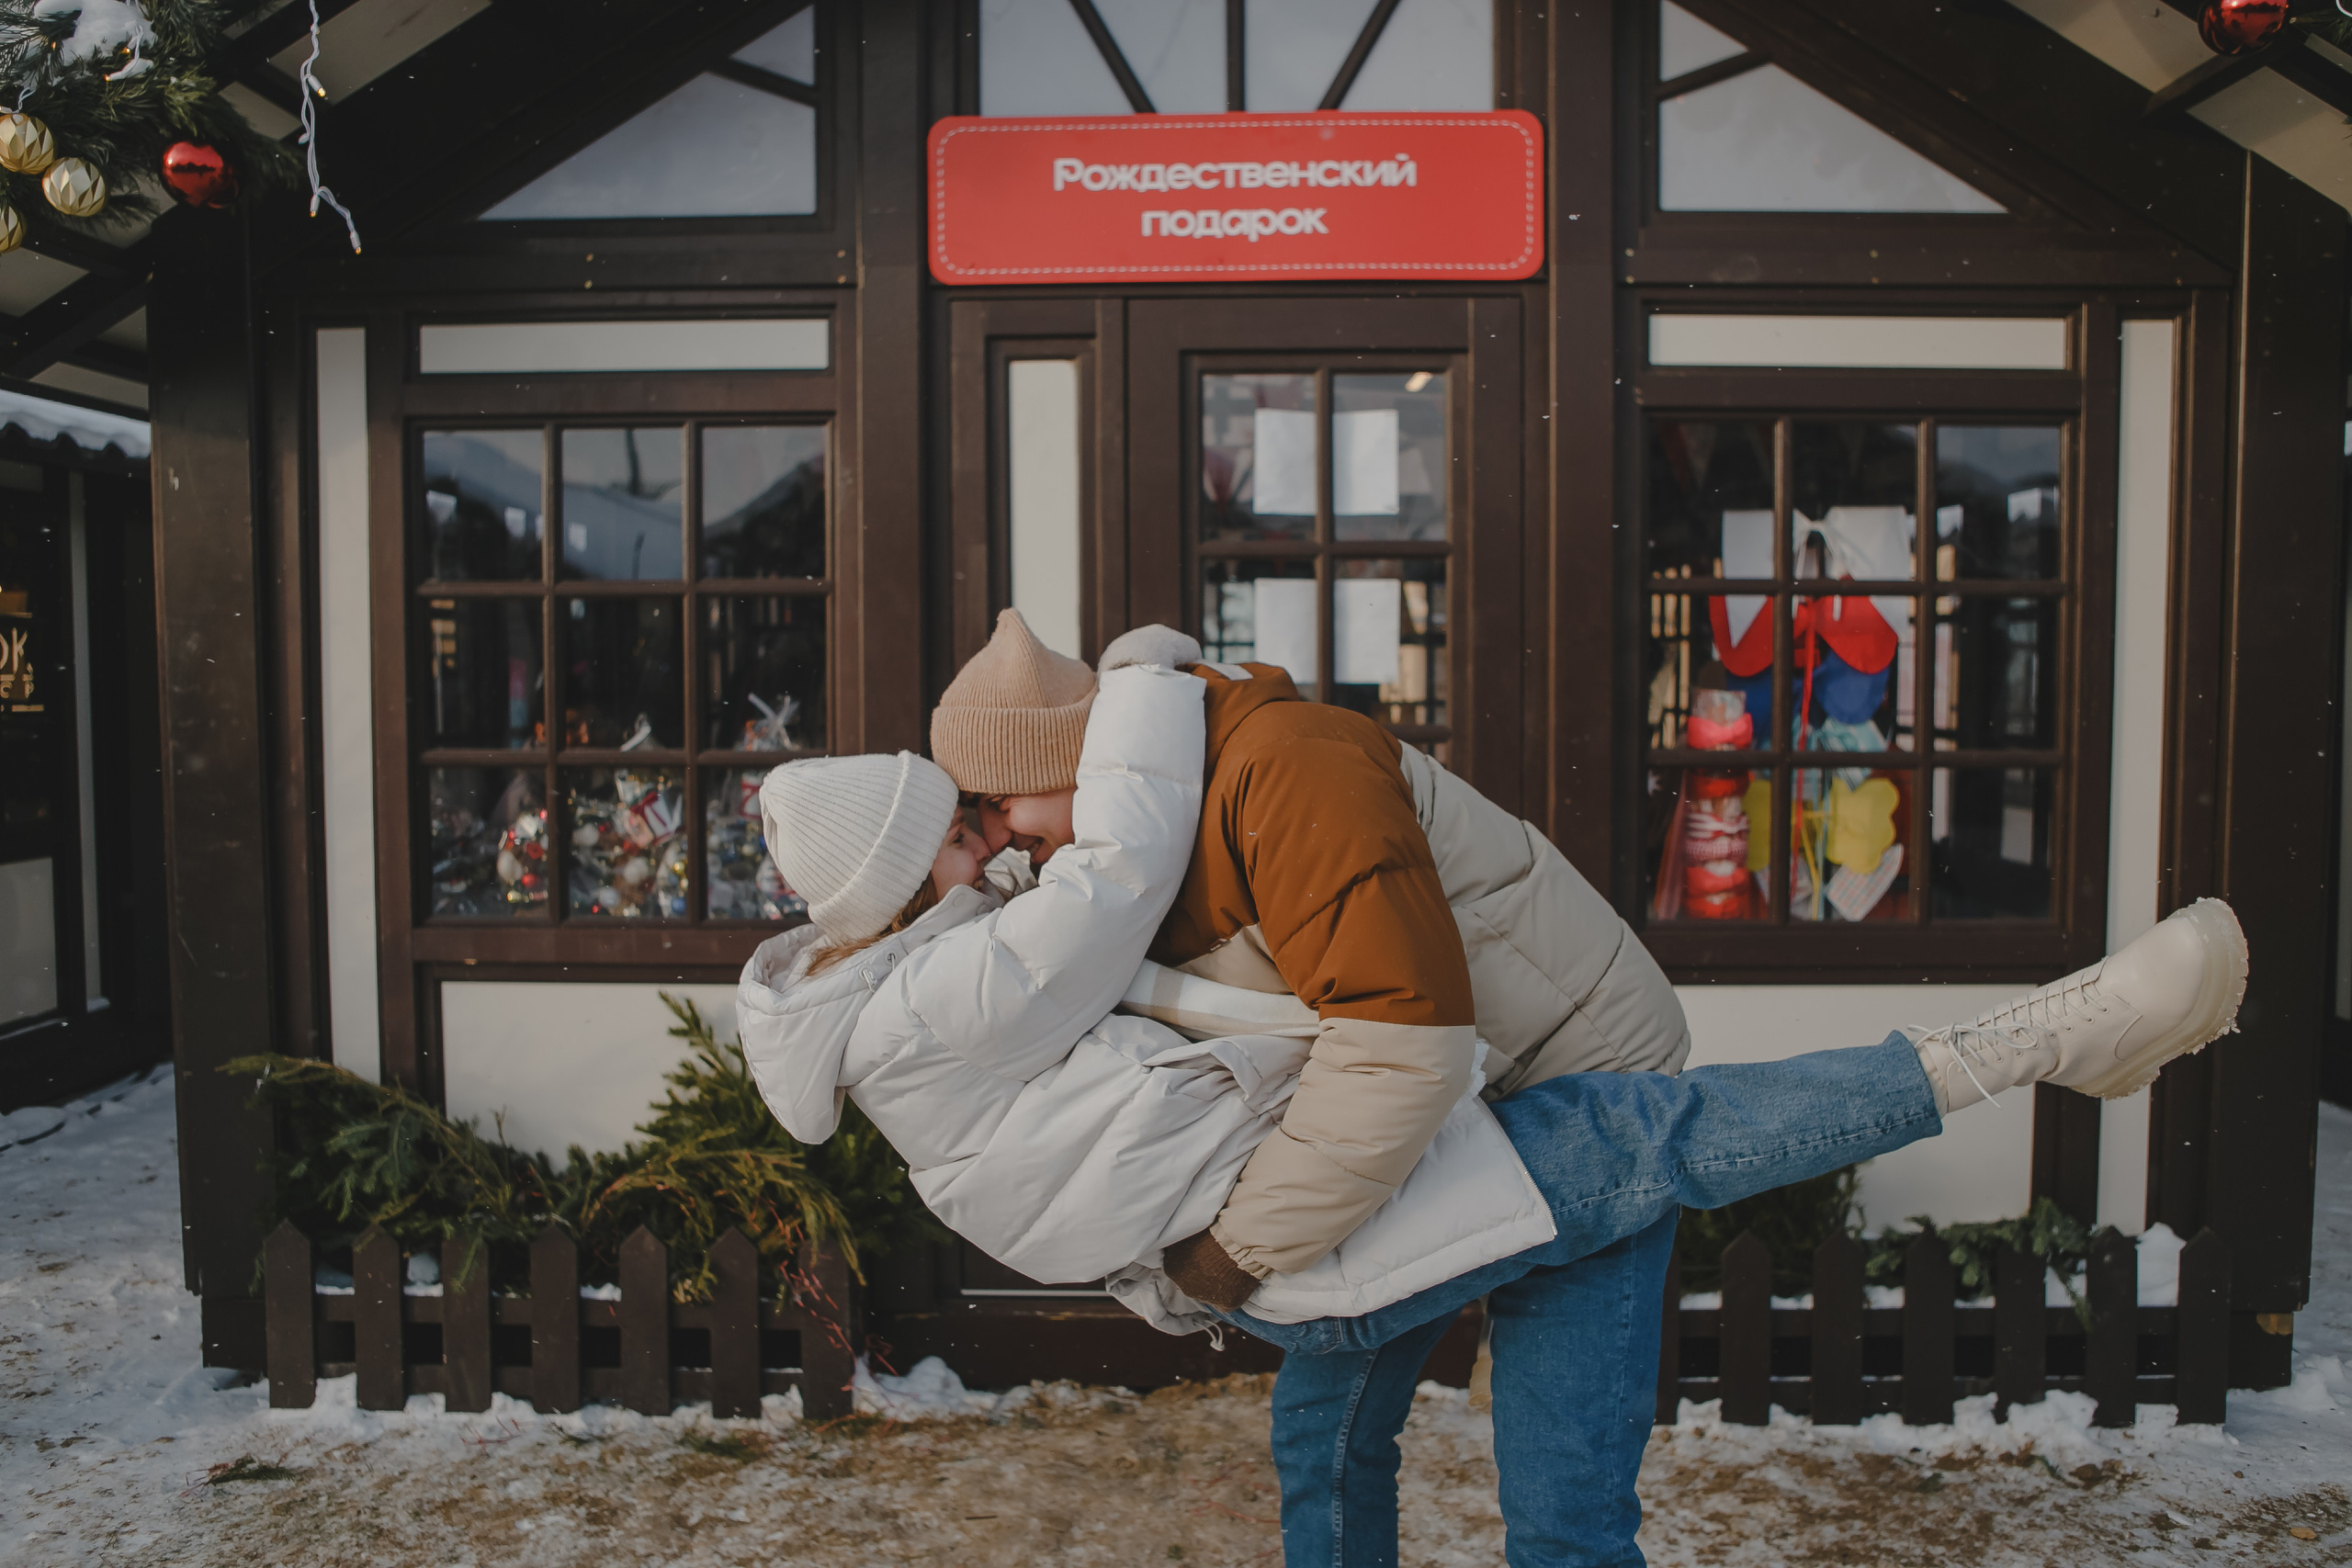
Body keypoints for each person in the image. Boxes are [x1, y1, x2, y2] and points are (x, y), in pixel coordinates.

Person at [920, 609, 2248, 1568]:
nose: (1001, 844)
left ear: (1068, 761)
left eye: (998, 809)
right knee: (1323, 1437)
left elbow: (1399, 1045)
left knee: (1561, 1501)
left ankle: (2037, 1036)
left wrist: (1227, 1255)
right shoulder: (1136, 838)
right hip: (1440, 1115)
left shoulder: (1285, 772)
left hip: (1564, 1076)